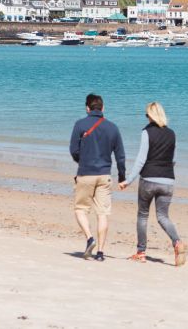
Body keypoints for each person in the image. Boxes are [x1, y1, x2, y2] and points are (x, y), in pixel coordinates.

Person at [118, 101, 186, 266]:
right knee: (163, 217)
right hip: (168, 180)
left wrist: (128, 180)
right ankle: (177, 242)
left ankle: (141, 252)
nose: (146, 118)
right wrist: (165, 170)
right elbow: (174, 159)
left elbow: (141, 160)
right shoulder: (172, 134)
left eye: (147, 115)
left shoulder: (146, 132)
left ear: (151, 116)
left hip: (148, 179)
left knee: (143, 215)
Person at [69, 93, 125, 262]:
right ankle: (100, 252)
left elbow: (74, 150)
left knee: (80, 209)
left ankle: (89, 238)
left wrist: (83, 161)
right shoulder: (113, 128)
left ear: (87, 108)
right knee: (102, 214)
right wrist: (122, 176)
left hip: (86, 173)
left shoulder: (80, 124)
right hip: (104, 175)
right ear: (103, 108)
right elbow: (120, 155)